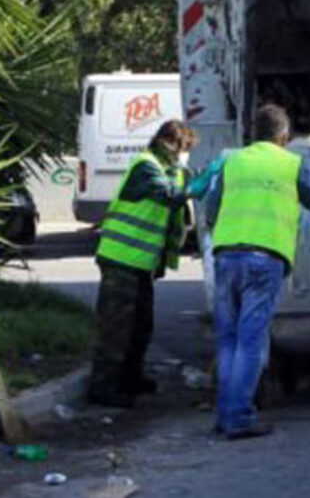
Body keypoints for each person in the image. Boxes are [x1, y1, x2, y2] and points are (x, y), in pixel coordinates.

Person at [196, 104, 310, 440]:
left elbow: (210, 210)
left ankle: (225, 415)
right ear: (284, 136)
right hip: (263, 259)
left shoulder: (232, 160)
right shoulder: (292, 163)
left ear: (253, 134)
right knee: (251, 340)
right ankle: (239, 417)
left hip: (226, 256)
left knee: (228, 340)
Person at [88, 120, 197, 409]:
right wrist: (197, 184)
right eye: (183, 149)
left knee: (140, 326)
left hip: (140, 262)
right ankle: (103, 386)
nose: (182, 155)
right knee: (116, 327)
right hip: (121, 257)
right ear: (169, 143)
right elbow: (169, 197)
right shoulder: (146, 167)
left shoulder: (165, 169)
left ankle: (130, 377)